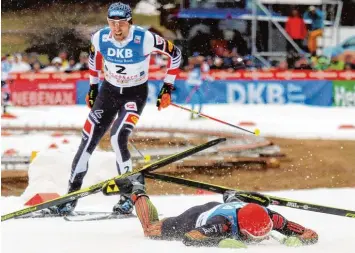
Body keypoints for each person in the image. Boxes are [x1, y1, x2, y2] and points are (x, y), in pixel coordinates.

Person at [50, 2, 181, 215]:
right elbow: (94, 59)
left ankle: (128, 196)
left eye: (121, 23)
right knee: (87, 139)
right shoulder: (100, 37)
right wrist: (93, 88)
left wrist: (167, 87)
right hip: (108, 93)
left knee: (117, 137)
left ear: (130, 23)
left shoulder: (145, 38)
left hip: (134, 94)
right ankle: (71, 196)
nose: (117, 29)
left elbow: (175, 55)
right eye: (112, 23)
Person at [111, 174, 319, 248]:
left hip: (237, 209)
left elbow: (308, 233)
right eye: (255, 237)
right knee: (150, 229)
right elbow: (190, 237)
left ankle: (232, 197)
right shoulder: (221, 224)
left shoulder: (271, 217)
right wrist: (221, 241)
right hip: (198, 217)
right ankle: (136, 189)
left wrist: (302, 237)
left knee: (238, 207)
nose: (260, 240)